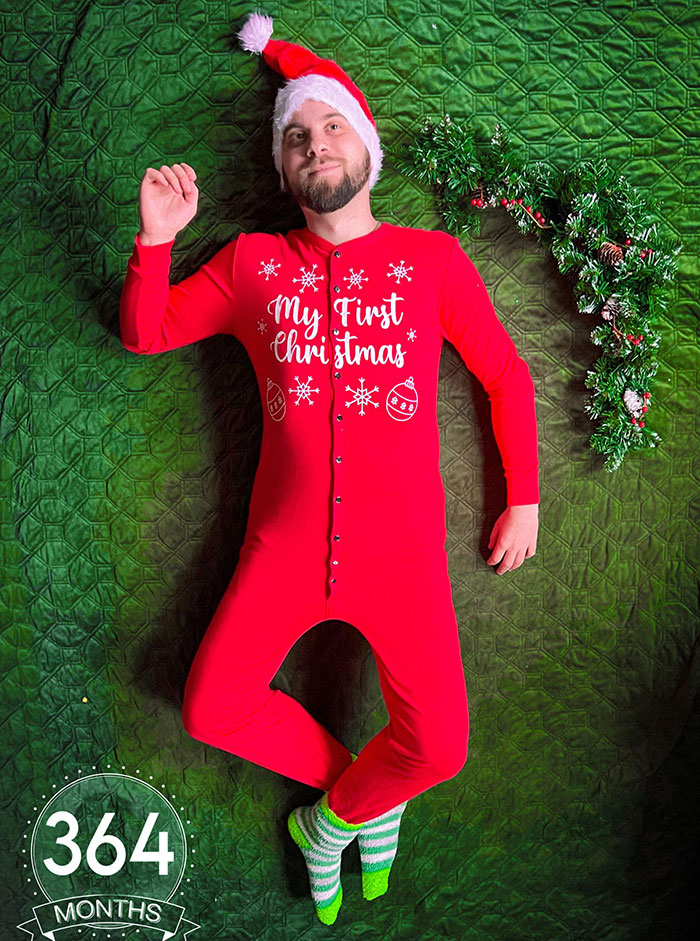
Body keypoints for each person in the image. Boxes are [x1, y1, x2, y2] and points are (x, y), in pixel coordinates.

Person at [119, 12, 539, 926]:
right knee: (207, 708)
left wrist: (526, 500)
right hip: (282, 551)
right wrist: (156, 242)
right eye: (298, 137)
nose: (317, 144)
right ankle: (364, 800)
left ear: (366, 145)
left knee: (442, 747)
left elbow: (505, 375)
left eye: (332, 125)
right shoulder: (250, 264)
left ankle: (329, 825)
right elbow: (147, 331)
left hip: (404, 561)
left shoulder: (430, 261)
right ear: (282, 169)